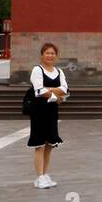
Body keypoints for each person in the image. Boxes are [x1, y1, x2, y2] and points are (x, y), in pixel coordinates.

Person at [28, 43, 69, 188]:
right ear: (42, 55)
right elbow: (38, 91)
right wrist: (54, 95)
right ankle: (39, 177)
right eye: (47, 53)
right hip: (39, 111)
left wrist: (49, 91)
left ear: (56, 56)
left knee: (49, 144)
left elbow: (65, 89)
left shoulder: (59, 71)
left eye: (52, 53)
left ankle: (45, 174)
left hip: (52, 111)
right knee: (39, 144)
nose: (50, 56)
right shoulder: (37, 70)